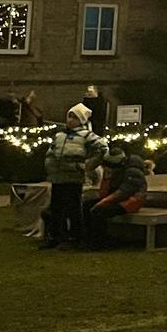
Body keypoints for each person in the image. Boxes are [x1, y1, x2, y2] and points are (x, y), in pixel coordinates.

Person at [40, 104, 104, 250]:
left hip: (74, 178)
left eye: (74, 117)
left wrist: (87, 166)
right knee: (56, 209)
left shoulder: (87, 136)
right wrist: (50, 166)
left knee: (73, 209)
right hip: (57, 177)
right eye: (69, 116)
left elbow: (102, 149)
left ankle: (75, 237)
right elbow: (51, 152)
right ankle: (55, 236)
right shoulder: (60, 136)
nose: (70, 120)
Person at [83, 143, 148, 249]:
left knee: (100, 211)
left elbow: (124, 192)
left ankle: (99, 242)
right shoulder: (114, 169)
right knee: (86, 205)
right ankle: (88, 238)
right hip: (115, 197)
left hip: (131, 201)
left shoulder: (133, 171)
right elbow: (90, 170)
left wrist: (103, 202)